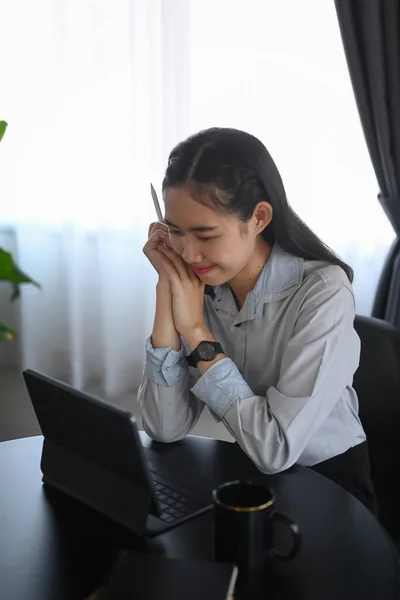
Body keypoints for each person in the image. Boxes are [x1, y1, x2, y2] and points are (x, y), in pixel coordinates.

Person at [137, 127, 377, 514]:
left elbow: (276, 447)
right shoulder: (208, 283)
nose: (189, 252)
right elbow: (165, 427)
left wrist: (197, 332)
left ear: (259, 217)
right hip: (248, 477)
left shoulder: (323, 292)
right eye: (177, 233)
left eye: (205, 234)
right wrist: (168, 291)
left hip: (331, 488)